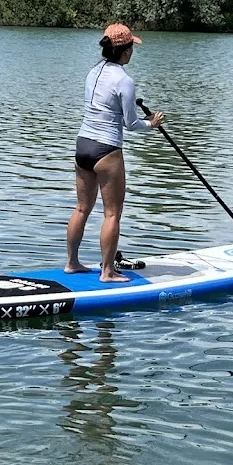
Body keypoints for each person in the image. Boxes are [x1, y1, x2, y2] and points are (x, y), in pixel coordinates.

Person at [65, 23, 164, 283]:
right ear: (126, 50)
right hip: (106, 149)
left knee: (81, 208)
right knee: (112, 214)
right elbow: (130, 124)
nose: (132, 52)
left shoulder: (92, 72)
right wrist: (151, 124)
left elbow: (104, 111)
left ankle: (72, 263)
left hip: (83, 144)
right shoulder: (124, 80)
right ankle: (108, 272)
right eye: (131, 47)